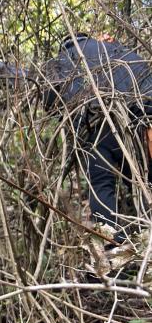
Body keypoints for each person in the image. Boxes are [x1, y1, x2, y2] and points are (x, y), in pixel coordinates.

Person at [42, 34, 152, 243]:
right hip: (135, 118)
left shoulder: (58, 64)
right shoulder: (116, 50)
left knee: (101, 183)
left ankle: (114, 250)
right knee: (144, 180)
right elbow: (144, 75)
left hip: (92, 127)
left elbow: (49, 99)